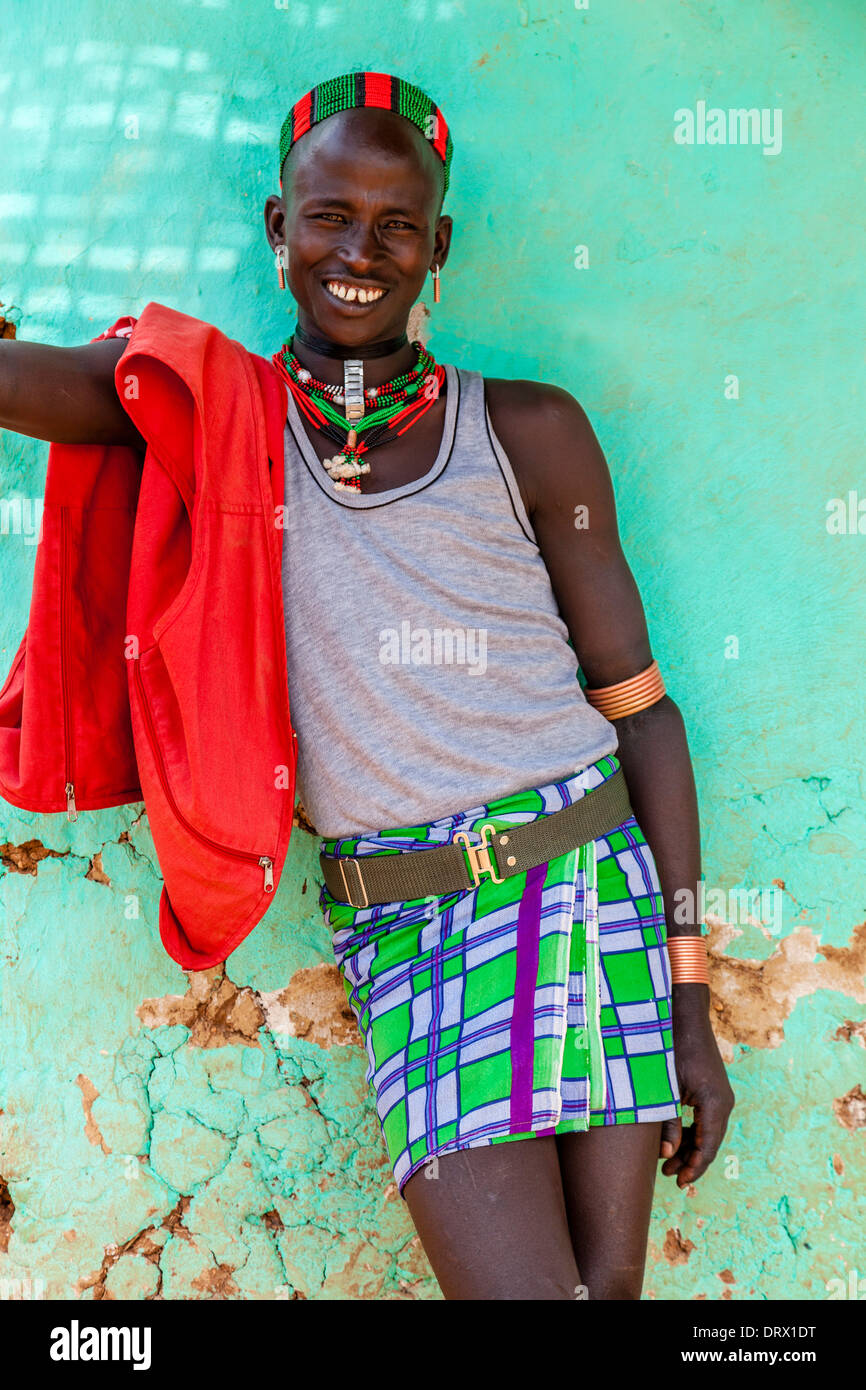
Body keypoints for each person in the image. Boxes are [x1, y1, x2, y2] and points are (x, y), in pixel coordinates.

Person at [0, 70, 733, 1301]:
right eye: (327, 215)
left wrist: (691, 1001)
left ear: (436, 246)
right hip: (407, 926)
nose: (359, 250)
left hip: (586, 882)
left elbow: (640, 715)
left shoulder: (528, 428)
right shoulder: (220, 417)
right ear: (275, 229)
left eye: (397, 225)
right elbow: (59, 387)